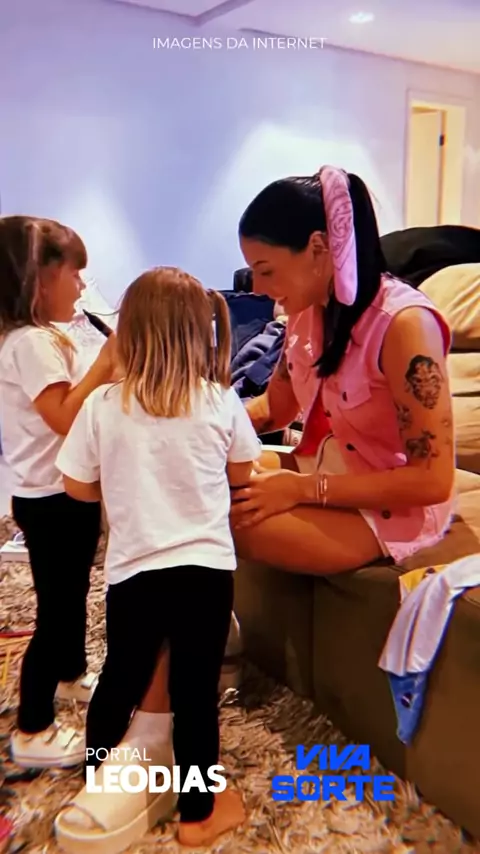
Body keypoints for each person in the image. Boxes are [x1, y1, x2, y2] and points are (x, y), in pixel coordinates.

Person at [55, 267, 257, 848]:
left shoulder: (103, 405)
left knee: (120, 678)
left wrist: (119, 485)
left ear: (129, 333)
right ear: (200, 333)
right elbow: (242, 472)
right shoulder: (220, 400)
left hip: (135, 573)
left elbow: (76, 487)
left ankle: (98, 779)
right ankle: (198, 815)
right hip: (206, 573)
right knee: (196, 696)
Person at [229, 166, 455, 573]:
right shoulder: (305, 312)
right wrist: (203, 426)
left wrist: (303, 489)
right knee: (196, 485)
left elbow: (432, 480)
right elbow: (274, 409)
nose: (257, 288)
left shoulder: (404, 325)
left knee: (224, 521)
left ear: (318, 247)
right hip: (320, 466)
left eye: (266, 270)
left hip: (389, 505)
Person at [0, 216, 116, 767]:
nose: (82, 286)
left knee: (71, 594)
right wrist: (108, 365)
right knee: (58, 609)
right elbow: (65, 417)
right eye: (74, 274)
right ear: (37, 279)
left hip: (62, 491)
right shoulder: (31, 343)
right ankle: (33, 729)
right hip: (50, 498)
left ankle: (70, 674)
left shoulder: (45, 338)